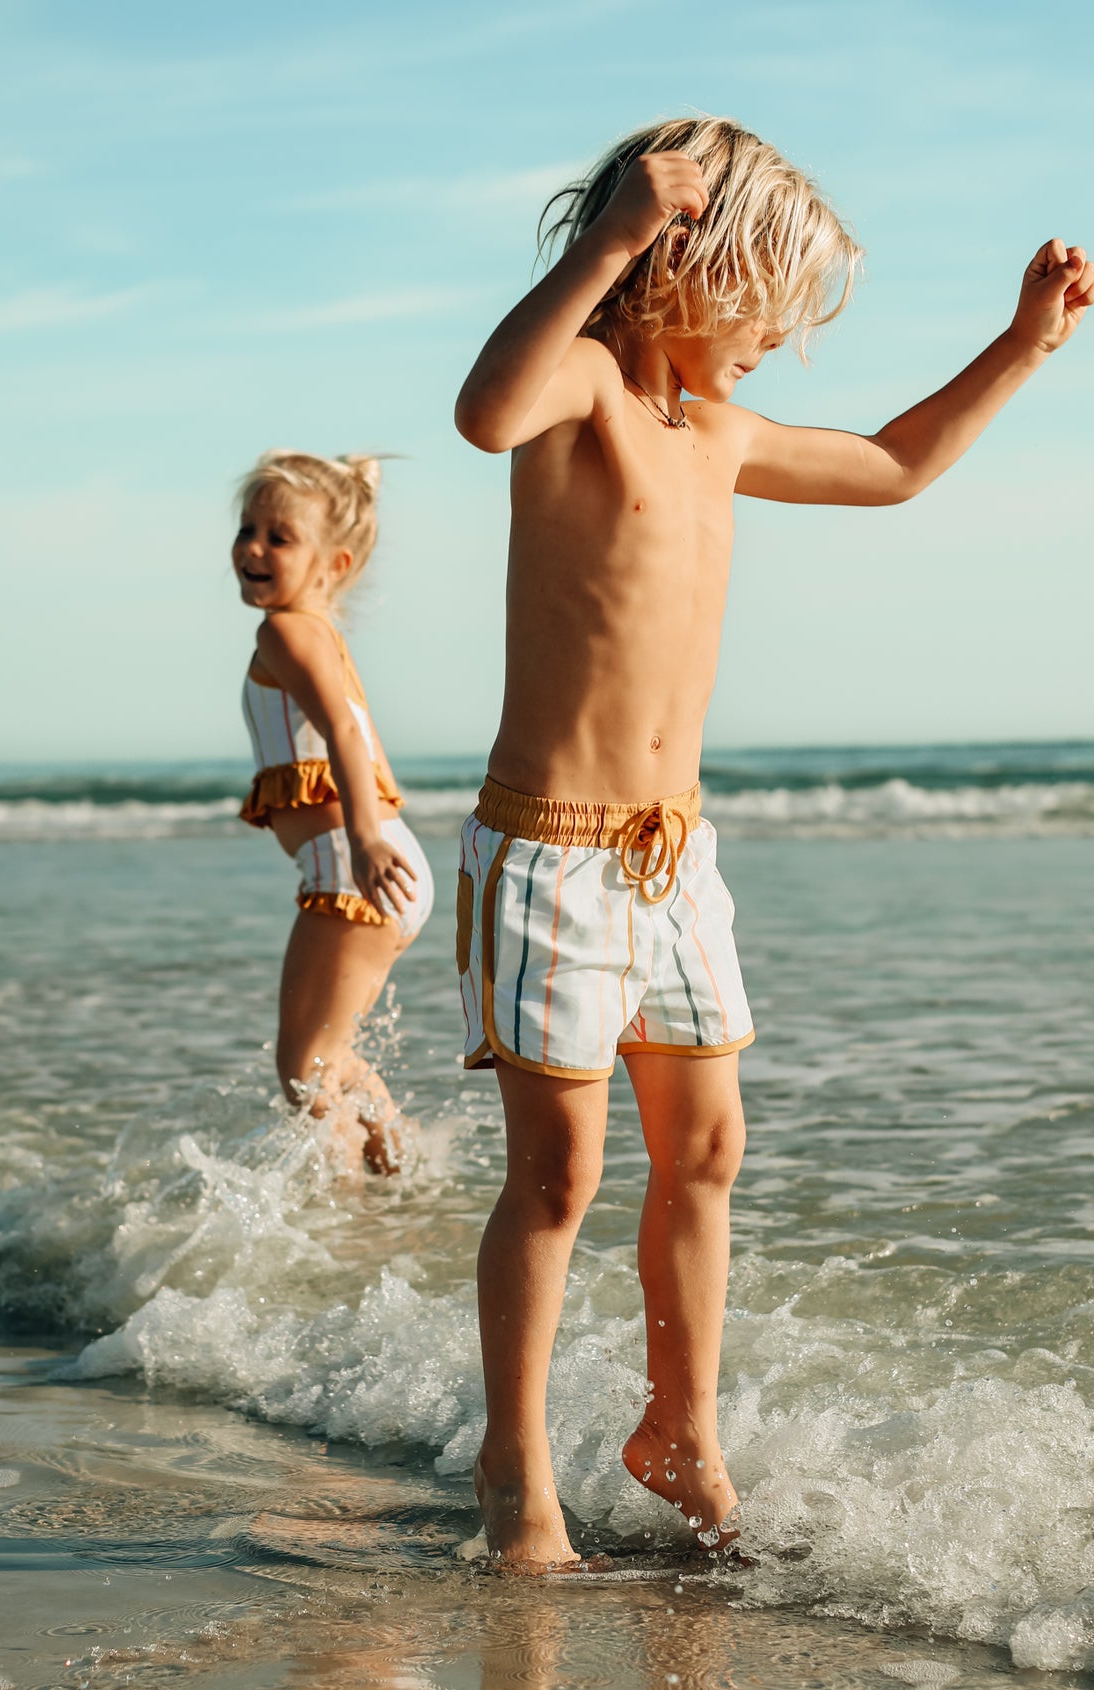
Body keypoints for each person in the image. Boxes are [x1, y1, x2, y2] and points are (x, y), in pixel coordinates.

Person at [453, 114, 1091, 1571]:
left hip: (678, 861)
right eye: (766, 306)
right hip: (548, 855)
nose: (780, 345)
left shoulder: (719, 434)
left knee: (712, 1151)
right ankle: (517, 1473)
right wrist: (609, 237)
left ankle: (681, 1433)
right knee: (558, 1174)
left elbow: (892, 465)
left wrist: (1023, 348)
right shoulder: (585, 396)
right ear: (681, 259)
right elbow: (483, 413)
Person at [235, 450, 434, 1172]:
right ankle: (399, 1170)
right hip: (376, 860)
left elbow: (346, 734)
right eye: (247, 529)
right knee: (330, 1058)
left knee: (304, 1070)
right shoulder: (316, 632)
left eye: (279, 537)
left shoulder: (284, 632)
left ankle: (353, 1213)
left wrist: (362, 838)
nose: (253, 548)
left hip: (358, 865)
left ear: (333, 562)